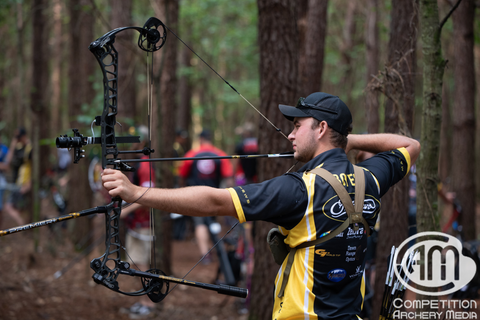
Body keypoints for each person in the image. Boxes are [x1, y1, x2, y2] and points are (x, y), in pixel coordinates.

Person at [102, 92, 421, 320]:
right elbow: (410, 145)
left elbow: (214, 201)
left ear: (321, 128)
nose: (292, 134)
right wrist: (344, 140)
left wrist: (137, 193)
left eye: (299, 126)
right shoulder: (371, 179)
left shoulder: (300, 189)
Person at [178, 129, 234, 261]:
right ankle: (213, 250)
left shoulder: (191, 154)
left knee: (200, 223)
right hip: (215, 195)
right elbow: (229, 177)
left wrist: (181, 192)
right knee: (212, 222)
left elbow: (182, 176)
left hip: (195, 195)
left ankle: (205, 253)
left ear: (200, 139)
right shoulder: (220, 154)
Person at [119, 125, 156, 318]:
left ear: (141, 142)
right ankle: (142, 301)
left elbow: (148, 195)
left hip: (144, 225)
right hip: (135, 224)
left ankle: (148, 304)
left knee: (142, 265)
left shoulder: (145, 163)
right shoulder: (137, 162)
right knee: (136, 264)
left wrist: (125, 212)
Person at [3, 128, 31, 227]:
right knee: (13, 206)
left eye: (19, 138)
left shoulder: (29, 148)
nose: (18, 140)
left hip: (24, 182)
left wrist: (29, 183)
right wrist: (13, 144)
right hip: (16, 181)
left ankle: (23, 225)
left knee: (10, 206)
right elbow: (8, 161)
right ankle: (23, 224)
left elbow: (32, 166)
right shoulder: (18, 147)